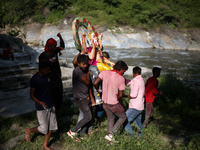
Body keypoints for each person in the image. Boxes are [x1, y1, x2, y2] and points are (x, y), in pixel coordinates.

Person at [25, 60, 57, 150]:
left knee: (51, 127)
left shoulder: (47, 77)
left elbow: (50, 90)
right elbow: (31, 95)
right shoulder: (35, 79)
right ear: (42, 69)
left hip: (51, 105)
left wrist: (53, 100)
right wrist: (39, 102)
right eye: (48, 70)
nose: (49, 71)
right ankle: (29, 130)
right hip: (41, 107)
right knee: (44, 128)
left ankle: (45, 145)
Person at [93, 61, 128, 143]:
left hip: (104, 103)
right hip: (113, 103)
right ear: (121, 69)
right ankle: (111, 134)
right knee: (123, 117)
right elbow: (120, 95)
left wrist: (98, 90)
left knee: (110, 119)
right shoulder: (121, 78)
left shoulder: (104, 72)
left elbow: (95, 83)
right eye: (124, 71)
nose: (124, 73)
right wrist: (118, 101)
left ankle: (109, 141)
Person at [67, 54, 92, 141]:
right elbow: (88, 83)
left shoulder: (79, 70)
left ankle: (82, 135)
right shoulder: (79, 72)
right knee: (88, 117)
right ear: (78, 63)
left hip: (82, 97)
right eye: (83, 64)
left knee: (85, 116)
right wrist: (88, 74)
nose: (85, 66)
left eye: (86, 63)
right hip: (81, 98)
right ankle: (72, 131)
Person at [39, 33, 65, 113]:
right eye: (53, 46)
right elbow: (41, 69)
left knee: (59, 96)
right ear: (49, 46)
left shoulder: (54, 51)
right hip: (50, 80)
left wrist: (60, 38)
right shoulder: (43, 56)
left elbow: (62, 47)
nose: (55, 47)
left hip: (57, 78)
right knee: (52, 97)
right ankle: (52, 113)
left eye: (55, 46)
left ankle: (58, 112)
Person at [123, 66, 145, 138]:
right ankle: (141, 137)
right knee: (138, 122)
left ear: (133, 73)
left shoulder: (136, 81)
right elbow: (130, 82)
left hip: (135, 106)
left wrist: (125, 96)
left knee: (123, 120)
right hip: (140, 106)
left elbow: (133, 95)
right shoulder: (141, 80)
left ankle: (132, 136)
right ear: (141, 73)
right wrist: (123, 80)